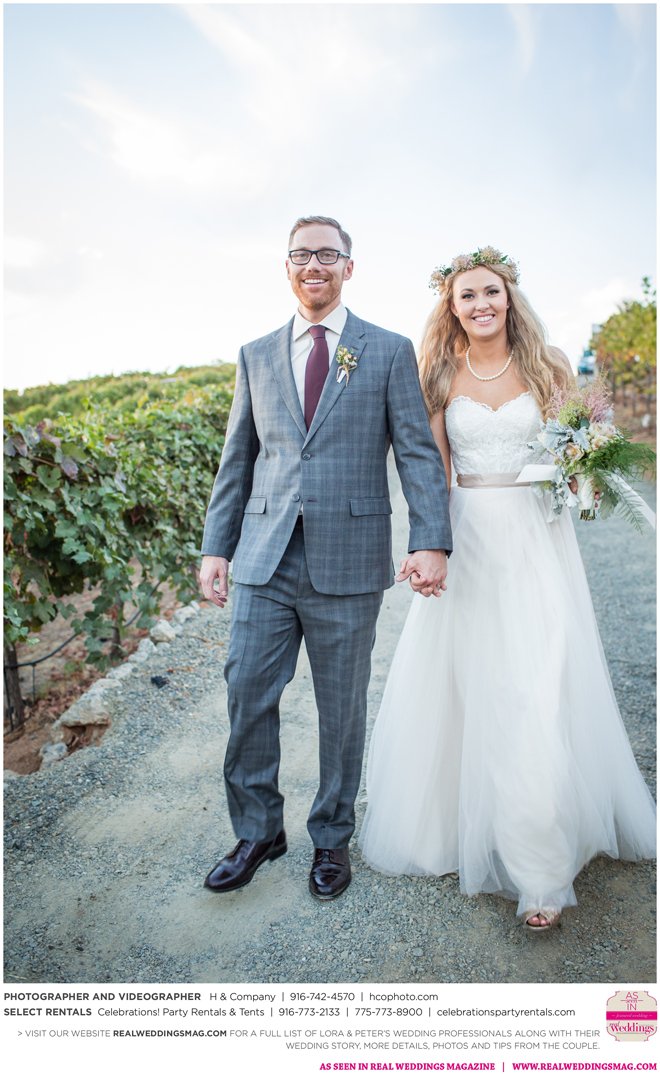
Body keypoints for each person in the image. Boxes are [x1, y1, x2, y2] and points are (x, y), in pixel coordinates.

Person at [358, 246, 656, 930]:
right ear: (452, 306)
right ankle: (461, 826)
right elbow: (431, 471)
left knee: (534, 689)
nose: (481, 304)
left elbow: (581, 446)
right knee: (471, 686)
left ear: (509, 296)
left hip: (537, 540)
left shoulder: (548, 366)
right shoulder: (439, 374)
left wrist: (584, 475)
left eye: (490, 291)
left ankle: (540, 869)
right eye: (467, 295)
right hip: (470, 540)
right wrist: (428, 546)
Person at [199, 215, 452, 900]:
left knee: (341, 708)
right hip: (264, 557)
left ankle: (331, 836)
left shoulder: (387, 350)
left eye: (327, 254)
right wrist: (216, 547)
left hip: (349, 557)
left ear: (348, 266)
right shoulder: (255, 354)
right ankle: (258, 831)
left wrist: (429, 537)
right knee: (248, 692)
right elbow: (237, 460)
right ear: (287, 267)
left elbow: (417, 453)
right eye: (301, 254)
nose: (314, 264)